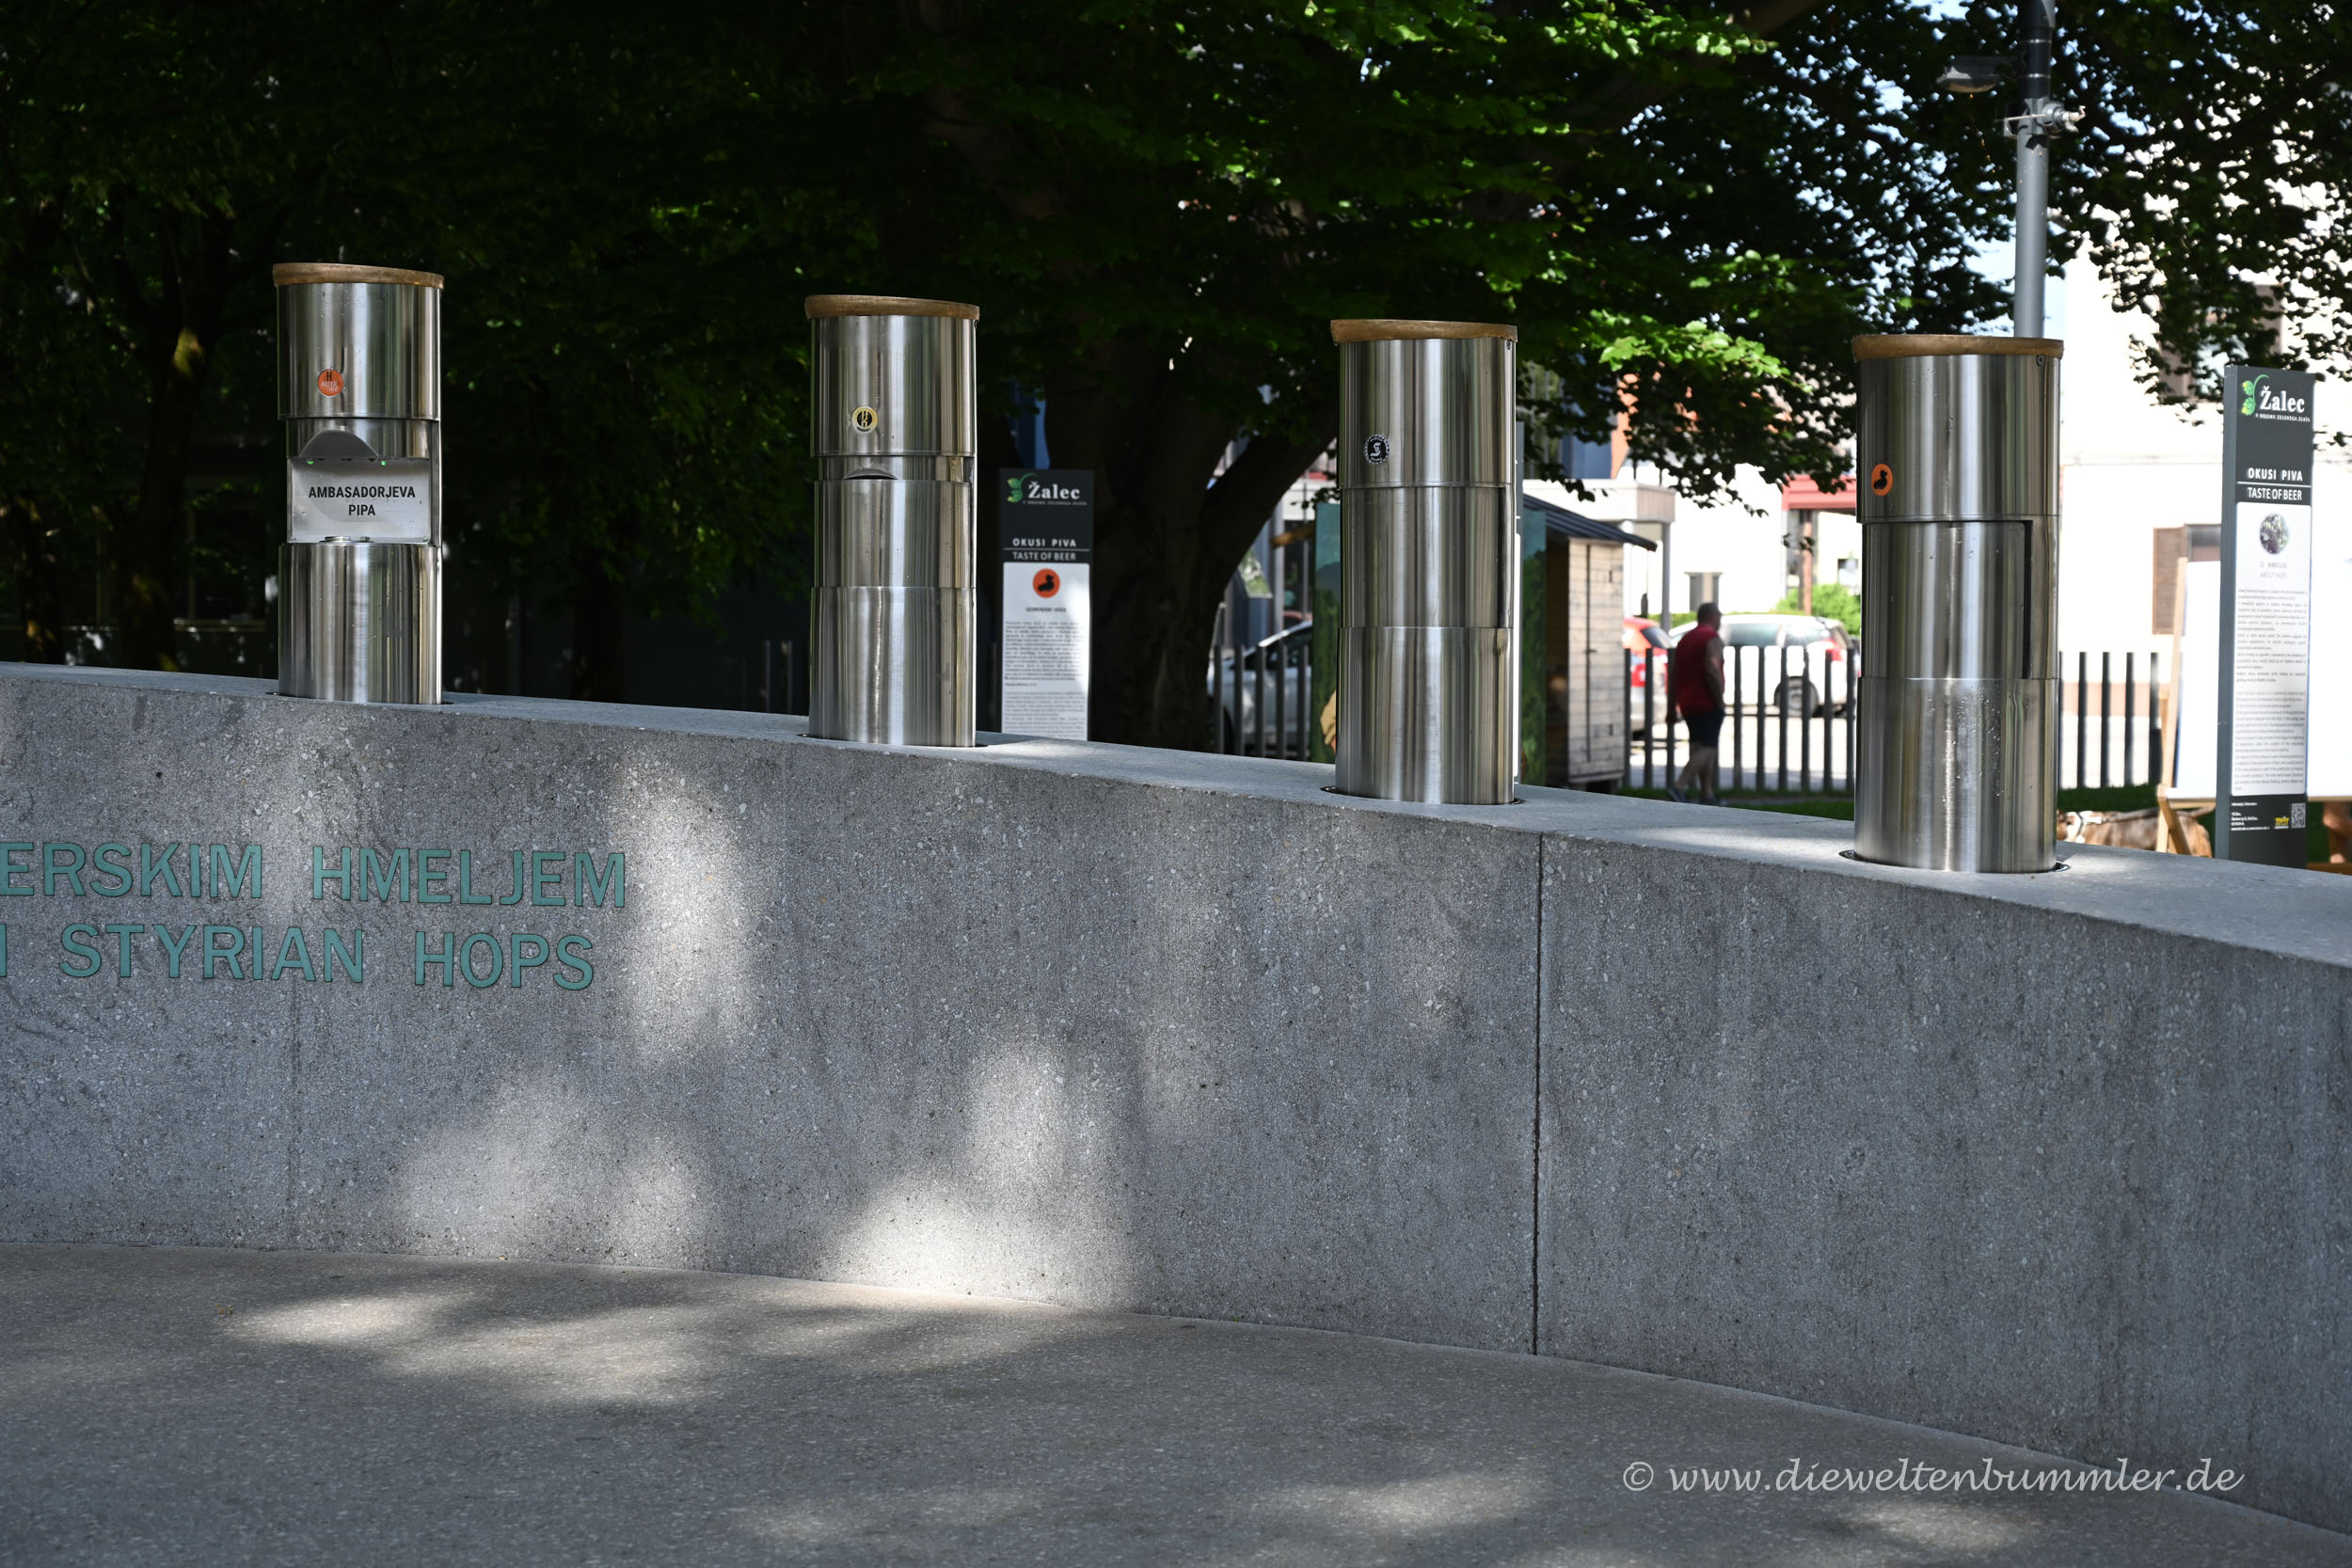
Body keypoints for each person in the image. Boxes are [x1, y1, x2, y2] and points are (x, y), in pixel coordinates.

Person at [1666, 603, 1725, 804]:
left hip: (1687, 701)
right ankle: (1679, 786)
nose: (1720, 622)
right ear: (1713, 617)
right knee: (1708, 747)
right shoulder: (1711, 638)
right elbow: (1712, 668)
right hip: (1706, 701)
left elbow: (1673, 675)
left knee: (1699, 746)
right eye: (1719, 617)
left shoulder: (1685, 640)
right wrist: (1719, 700)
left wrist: (1671, 705)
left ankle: (1707, 794)